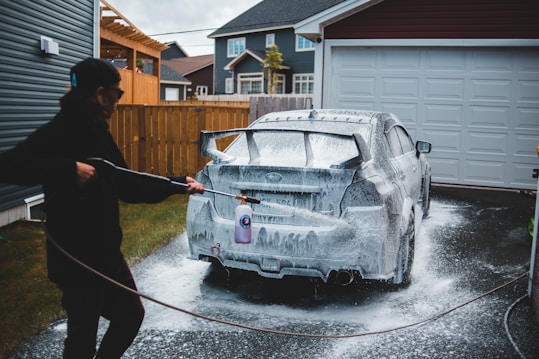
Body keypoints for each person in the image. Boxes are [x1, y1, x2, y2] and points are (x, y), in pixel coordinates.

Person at [0, 58, 204, 358]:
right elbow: (8, 166)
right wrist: (67, 169)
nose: (118, 101)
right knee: (82, 337)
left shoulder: (97, 131)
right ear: (99, 93)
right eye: (117, 94)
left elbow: (126, 184)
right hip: (77, 258)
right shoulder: (60, 130)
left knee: (129, 316)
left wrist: (176, 185)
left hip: (106, 253)